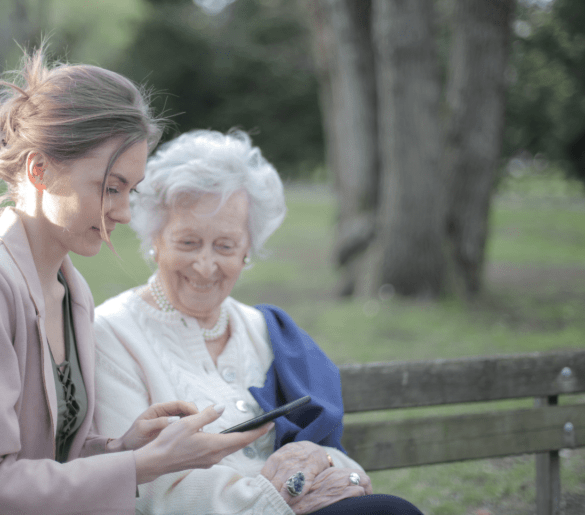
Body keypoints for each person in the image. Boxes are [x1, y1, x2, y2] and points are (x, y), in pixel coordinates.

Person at [0, 50, 270, 515]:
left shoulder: (70, 290)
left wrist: (125, 448)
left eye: (130, 191)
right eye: (109, 187)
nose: (123, 213)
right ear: (40, 170)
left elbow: (47, 460)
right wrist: (139, 467)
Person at [93, 130, 423, 515]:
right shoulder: (112, 334)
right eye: (187, 242)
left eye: (225, 246)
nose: (205, 264)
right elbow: (148, 489)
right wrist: (276, 498)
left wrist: (328, 467)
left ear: (247, 249)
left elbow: (338, 461)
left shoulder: (268, 331)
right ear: (155, 240)